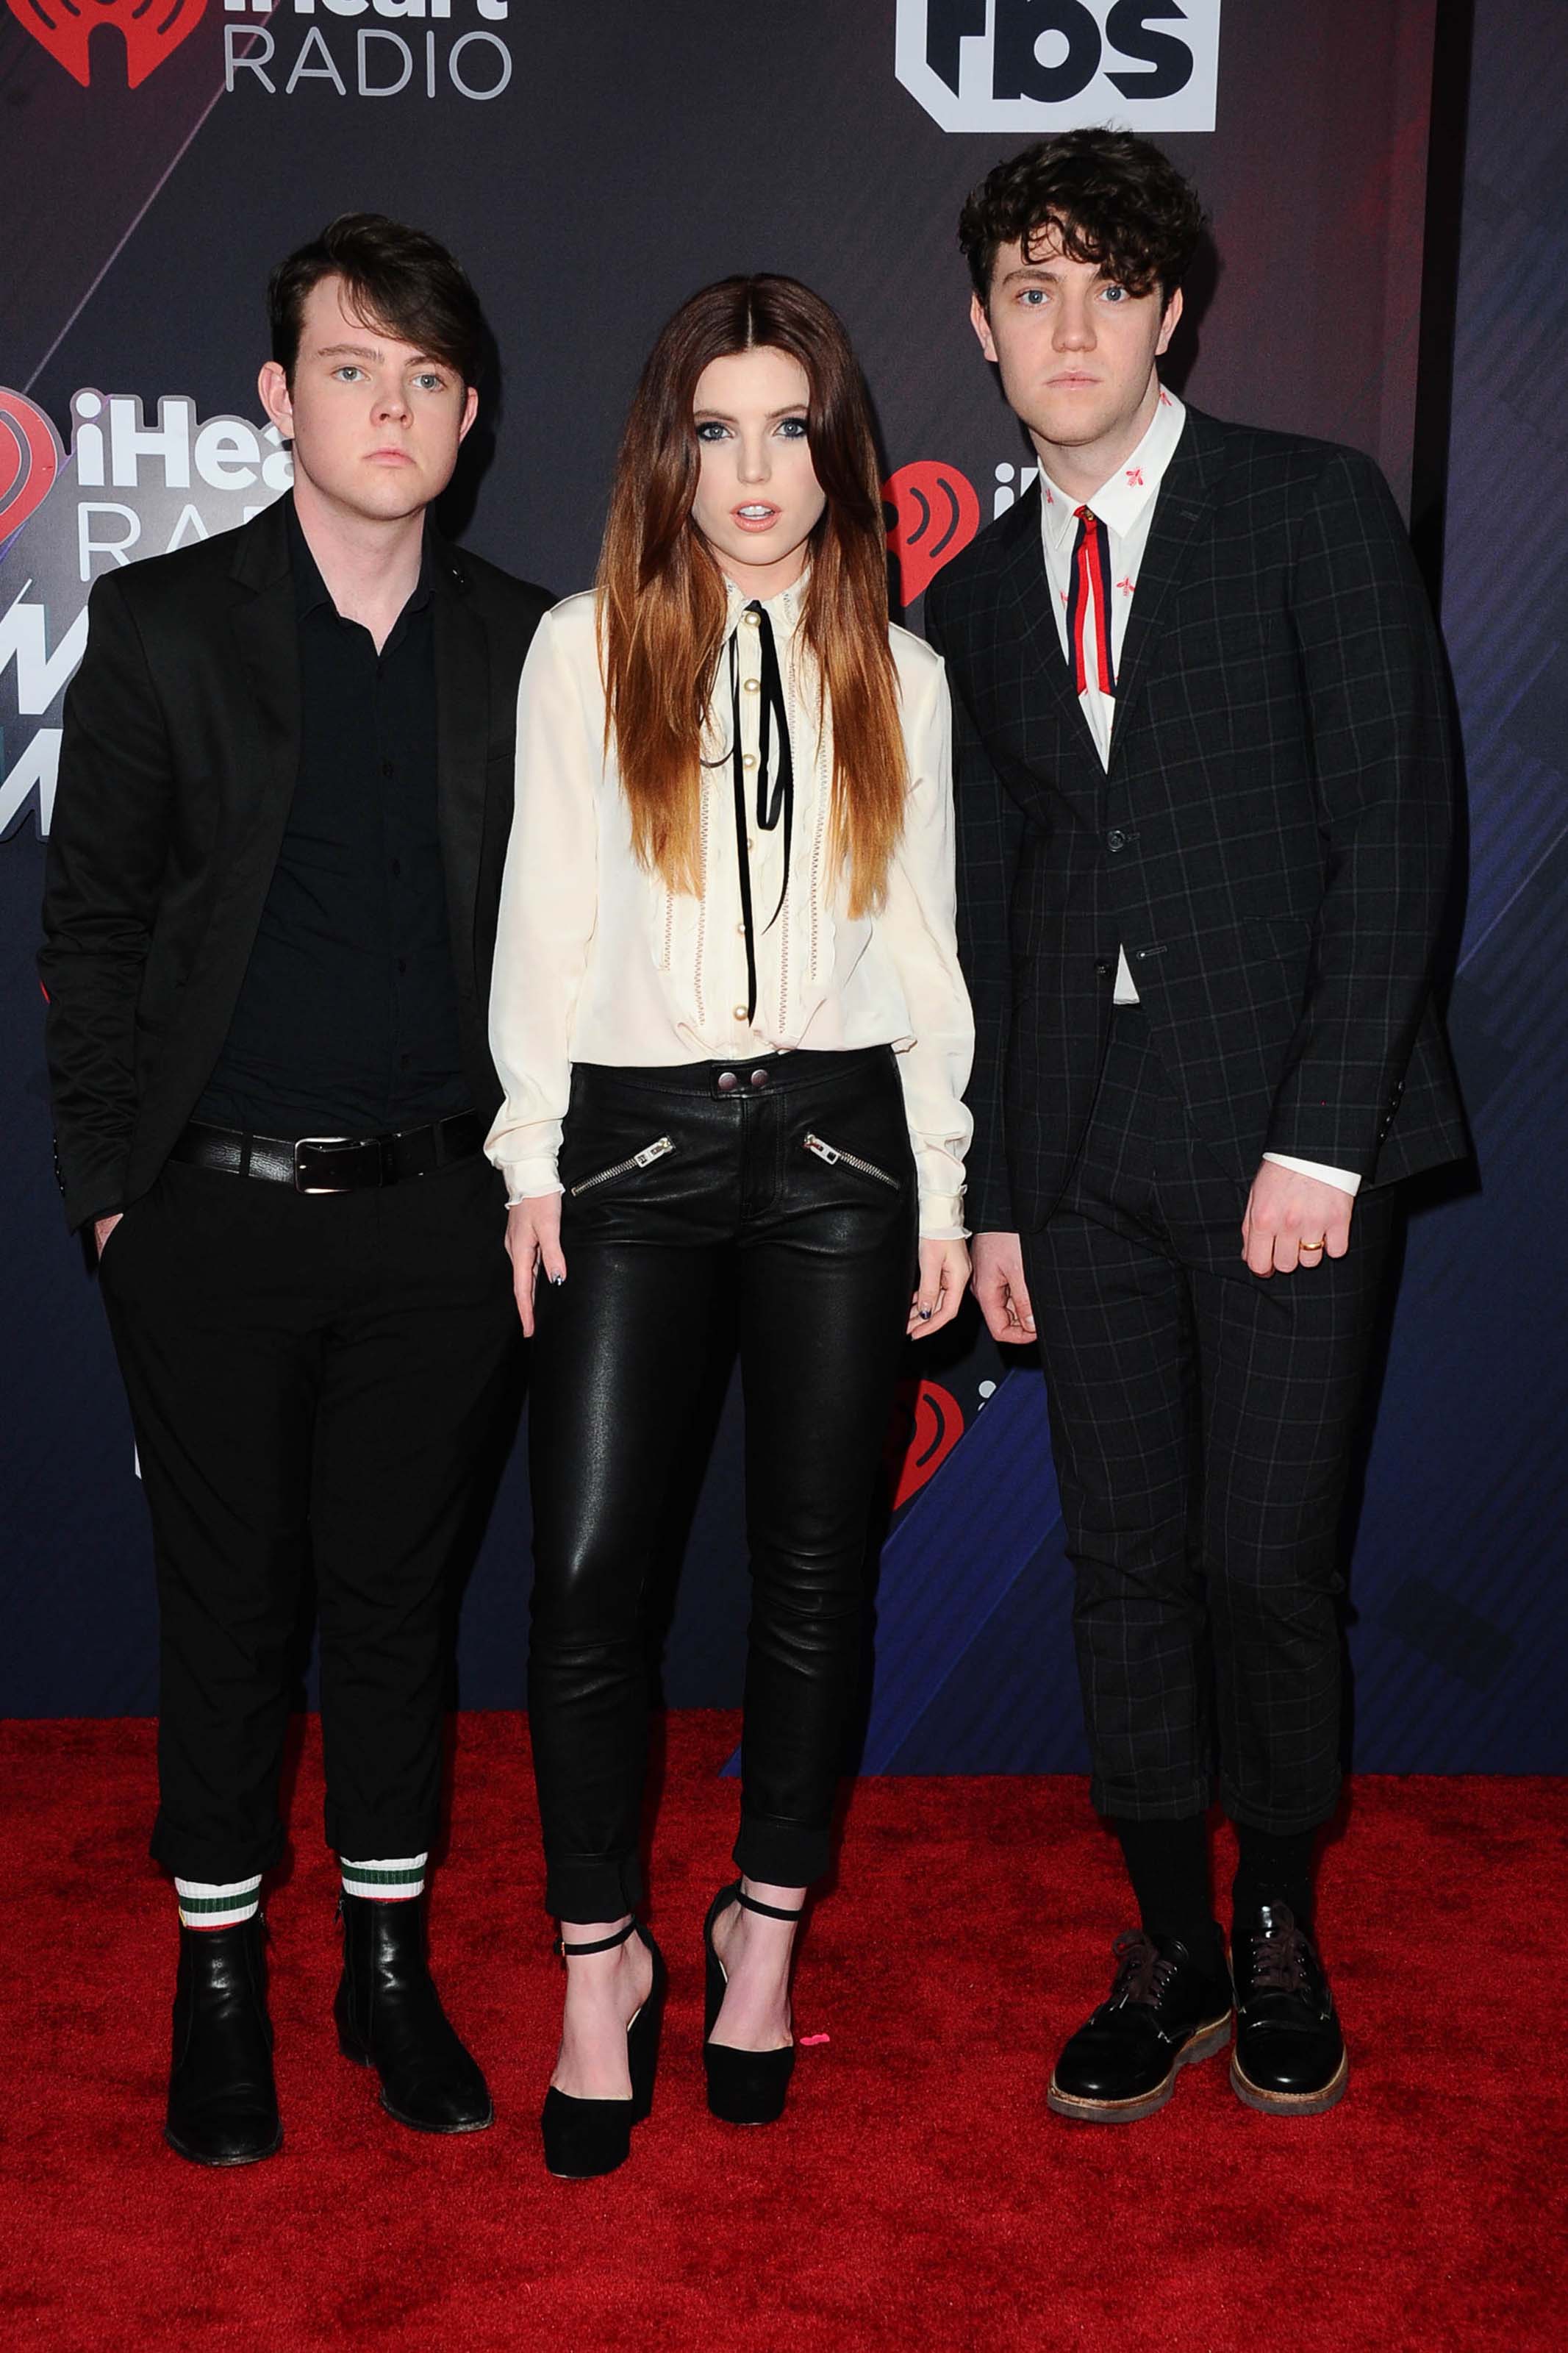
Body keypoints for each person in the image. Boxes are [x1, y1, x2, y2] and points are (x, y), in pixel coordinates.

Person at [923, 131, 1467, 2124]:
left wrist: (1325, 1137)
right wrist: (986, 1189)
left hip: (1289, 1135)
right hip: (1078, 1149)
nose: (1069, 325)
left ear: (1172, 311)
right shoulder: (974, 600)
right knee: (1122, 1565)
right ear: (985, 332)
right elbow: (988, 906)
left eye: (1106, 287)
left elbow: (1398, 833)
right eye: (1030, 292)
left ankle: (1282, 1932)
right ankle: (1166, 1940)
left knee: (1266, 1566)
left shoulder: (1311, 509)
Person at [40, 214, 550, 2166]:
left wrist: (535, 1179)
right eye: (353, 368)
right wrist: (112, 1193)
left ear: (470, 409)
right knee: (227, 1610)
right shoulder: (166, 628)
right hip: (210, 1219)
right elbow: (87, 929)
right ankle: (223, 1980)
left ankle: (388, 1970)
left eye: (426, 376)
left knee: (403, 1608)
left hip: (444, 1218)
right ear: (278, 398)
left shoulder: (531, 646)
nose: (393, 405)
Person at [489, 274, 973, 2179]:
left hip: (846, 1150)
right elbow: (546, 924)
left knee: (812, 1578)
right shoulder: (579, 649)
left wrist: (939, 1175)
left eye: (788, 428)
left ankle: (761, 1939)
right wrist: (530, 1153)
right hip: (632, 1145)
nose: (755, 469)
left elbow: (924, 955)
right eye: (717, 429)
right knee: (590, 1573)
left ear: (833, 449)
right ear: (666, 449)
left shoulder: (904, 678)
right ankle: (599, 1958)